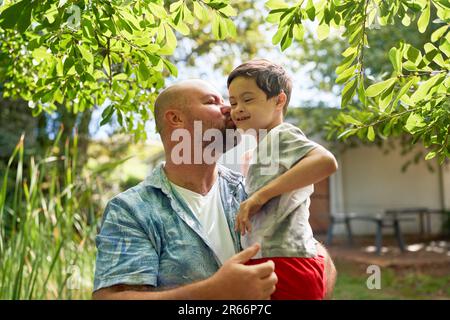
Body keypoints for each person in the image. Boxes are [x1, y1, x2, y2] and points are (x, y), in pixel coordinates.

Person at [92, 79, 335, 299]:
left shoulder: (250, 190)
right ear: (175, 118)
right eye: (212, 102)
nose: (230, 108)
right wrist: (213, 292)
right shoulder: (132, 210)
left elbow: (319, 261)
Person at [227, 59, 338, 300]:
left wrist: (260, 196)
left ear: (279, 100)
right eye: (233, 102)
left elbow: (326, 161)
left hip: (288, 257)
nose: (237, 109)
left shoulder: (282, 134)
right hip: (267, 255)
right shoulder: (257, 151)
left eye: (247, 100)